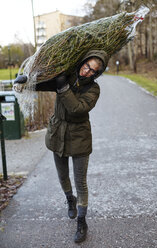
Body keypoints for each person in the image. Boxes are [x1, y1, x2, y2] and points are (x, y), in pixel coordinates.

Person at [14, 50, 109, 243]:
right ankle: (69, 199)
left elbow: (77, 109)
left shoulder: (93, 90)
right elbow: (45, 83)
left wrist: (63, 88)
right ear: (82, 62)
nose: (87, 71)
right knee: (62, 175)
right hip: (58, 133)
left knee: (80, 181)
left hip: (79, 135)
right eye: (86, 65)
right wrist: (27, 80)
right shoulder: (68, 74)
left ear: (97, 74)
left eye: (93, 70)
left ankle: (82, 221)